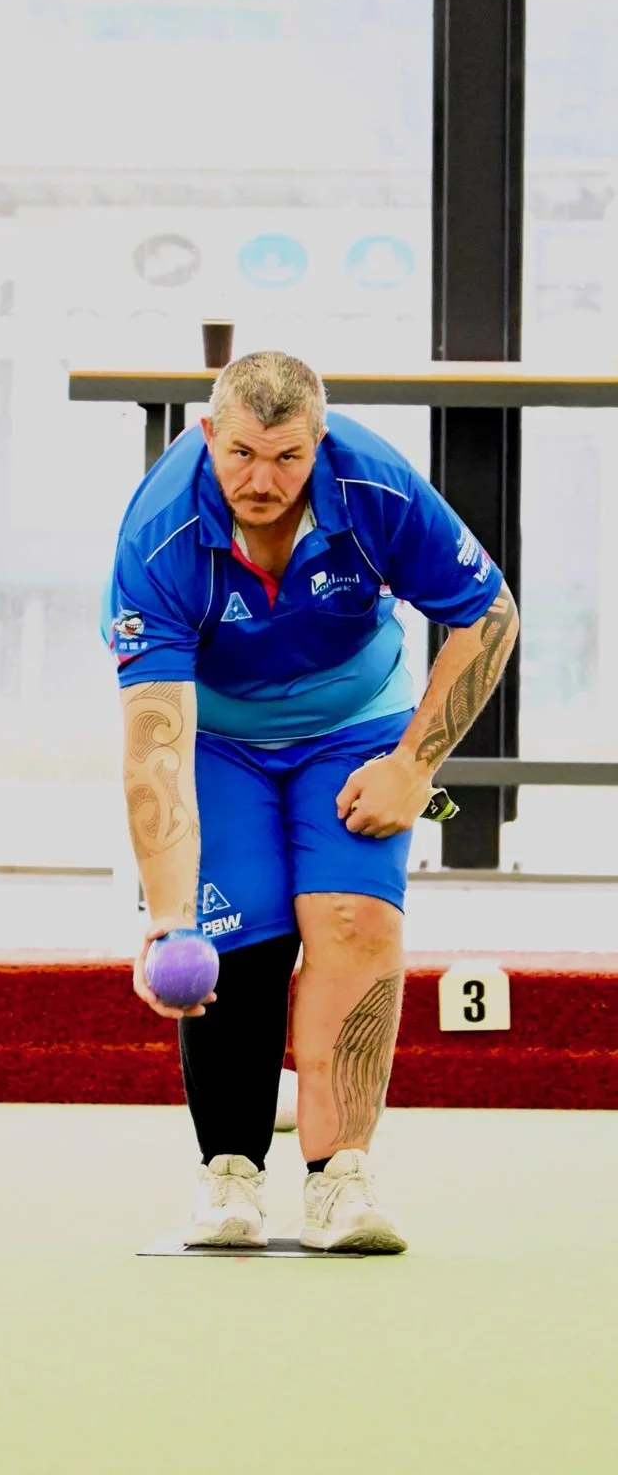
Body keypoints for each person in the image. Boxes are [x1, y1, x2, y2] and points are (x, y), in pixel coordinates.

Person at [101, 351, 519, 1253]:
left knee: (354, 921)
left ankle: (341, 1180)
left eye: (286, 458)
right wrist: (168, 917)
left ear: (317, 442)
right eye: (242, 453)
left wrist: (415, 765)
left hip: (355, 723)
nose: (262, 480)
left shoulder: (376, 487)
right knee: (230, 941)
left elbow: (486, 616)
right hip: (216, 736)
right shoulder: (159, 534)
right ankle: (229, 1180)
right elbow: (156, 747)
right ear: (208, 433)